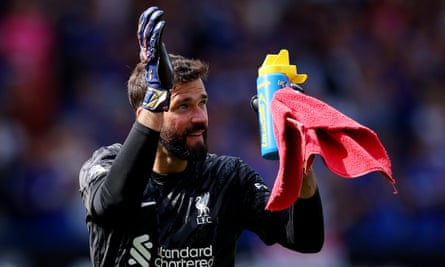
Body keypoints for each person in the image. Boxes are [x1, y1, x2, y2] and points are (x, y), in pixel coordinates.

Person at [79, 6, 324, 267]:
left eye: (202, 103)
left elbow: (305, 238)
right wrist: (155, 101)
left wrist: (299, 156)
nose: (200, 118)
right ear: (146, 112)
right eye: (183, 106)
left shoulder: (226, 177)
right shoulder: (104, 165)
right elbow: (114, 204)